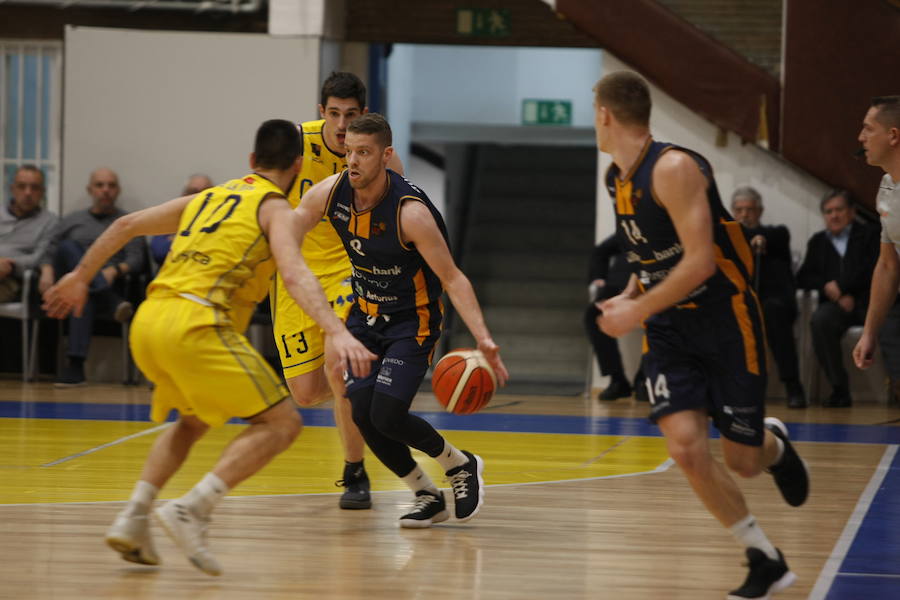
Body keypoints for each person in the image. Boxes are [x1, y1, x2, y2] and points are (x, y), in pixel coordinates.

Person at [42, 119, 376, 576]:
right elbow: (296, 275)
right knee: (282, 423)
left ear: (252, 161)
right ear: (299, 166)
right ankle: (193, 508)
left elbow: (126, 224)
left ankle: (135, 516)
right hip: (198, 324)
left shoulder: (212, 195)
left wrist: (79, 276)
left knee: (191, 423)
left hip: (150, 320)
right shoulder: (276, 209)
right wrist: (336, 331)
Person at [593, 71, 809, 600]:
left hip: (725, 319)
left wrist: (635, 309)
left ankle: (773, 447)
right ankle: (763, 555)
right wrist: (629, 292)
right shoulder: (614, 178)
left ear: (605, 115)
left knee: (743, 462)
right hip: (670, 330)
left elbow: (701, 261)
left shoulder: (673, 167)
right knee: (687, 449)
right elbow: (650, 254)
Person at [295, 113, 508, 528]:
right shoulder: (333, 193)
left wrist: (484, 338)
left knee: (388, 414)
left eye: (364, 153)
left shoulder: (410, 213)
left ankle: (459, 464)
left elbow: (453, 278)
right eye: (349, 152)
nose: (352, 161)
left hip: (413, 323)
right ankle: (425, 494)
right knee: (361, 412)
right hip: (364, 317)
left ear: (385, 155)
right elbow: (291, 223)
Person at [272, 72, 404, 510]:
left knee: (337, 364)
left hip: (352, 267)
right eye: (334, 114)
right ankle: (362, 382)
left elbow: (403, 222)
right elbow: (264, 199)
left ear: (362, 114)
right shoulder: (293, 143)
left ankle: (354, 471)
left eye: (351, 115)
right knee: (306, 392)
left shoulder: (381, 160)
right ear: (321, 113)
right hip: (298, 272)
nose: (342, 124)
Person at [40, 167, 147, 387]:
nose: (105, 190)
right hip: (71, 282)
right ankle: (109, 299)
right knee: (69, 247)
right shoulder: (72, 220)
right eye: (100, 185)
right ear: (90, 189)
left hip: (103, 287)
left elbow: (137, 259)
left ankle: (76, 367)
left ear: (118, 190)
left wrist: (115, 270)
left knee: (83, 293)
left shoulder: (128, 223)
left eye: (111, 185)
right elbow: (50, 250)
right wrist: (46, 271)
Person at [796, 189, 880, 407]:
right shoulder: (818, 241)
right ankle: (839, 390)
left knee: (892, 323)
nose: (833, 215)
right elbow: (804, 276)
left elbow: (875, 269)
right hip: (837, 307)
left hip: (871, 302)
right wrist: (828, 288)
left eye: (839, 210)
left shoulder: (870, 234)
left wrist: (843, 288)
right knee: (820, 321)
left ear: (852, 212)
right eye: (828, 211)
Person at [731, 186, 807, 409]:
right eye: (739, 210)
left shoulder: (777, 234)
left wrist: (758, 239)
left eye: (750, 209)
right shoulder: (729, 238)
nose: (744, 215)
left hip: (774, 302)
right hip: (739, 301)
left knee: (773, 315)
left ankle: (793, 385)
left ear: (760, 211)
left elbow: (774, 239)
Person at [852, 96, 900, 403]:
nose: (861, 137)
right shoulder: (886, 187)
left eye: (868, 129)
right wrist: (869, 331)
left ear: (893, 135)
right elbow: (887, 266)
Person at [583, 234, 644, 400]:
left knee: (659, 318)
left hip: (648, 284)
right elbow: (601, 251)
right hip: (616, 285)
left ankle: (644, 378)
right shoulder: (627, 227)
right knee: (593, 315)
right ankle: (617, 379)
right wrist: (598, 278)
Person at [0, 165, 57, 303]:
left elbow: (40, 258)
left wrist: (10, 265)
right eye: (21, 186)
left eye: (34, 187)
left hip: (12, 280)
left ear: (43, 192)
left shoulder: (50, 221)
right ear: (12, 189)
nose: (27, 192)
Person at [148, 174, 214, 266]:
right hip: (172, 274)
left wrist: (178, 239)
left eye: (206, 192)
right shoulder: (171, 217)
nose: (199, 197)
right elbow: (159, 253)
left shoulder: (222, 220)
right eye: (193, 191)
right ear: (184, 195)